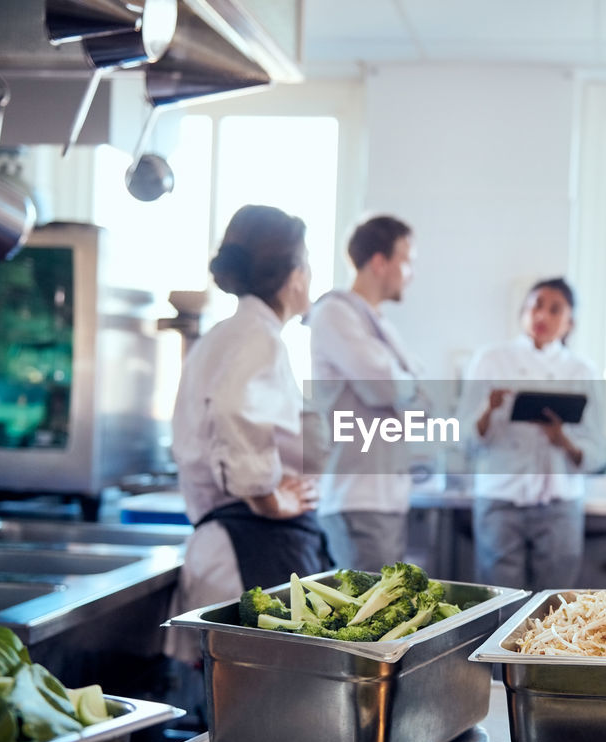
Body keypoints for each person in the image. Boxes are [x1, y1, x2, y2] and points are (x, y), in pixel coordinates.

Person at [165, 204, 327, 665]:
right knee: (265, 715)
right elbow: (236, 410)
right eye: (309, 261)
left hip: (242, 546)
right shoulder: (259, 337)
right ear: (294, 274)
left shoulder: (229, 333)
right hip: (251, 545)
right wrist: (268, 497)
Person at [458, 278, 604, 589]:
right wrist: (489, 409)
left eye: (555, 310)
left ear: (569, 323)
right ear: (523, 311)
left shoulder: (583, 371)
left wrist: (561, 439)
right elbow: (464, 439)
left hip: (559, 503)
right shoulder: (491, 359)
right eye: (536, 305)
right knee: (500, 603)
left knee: (554, 607)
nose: (542, 316)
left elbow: (596, 450)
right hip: (500, 499)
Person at [307, 215, 423, 572]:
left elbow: (421, 398)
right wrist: (408, 383)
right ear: (379, 261)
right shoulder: (334, 313)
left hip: (384, 498)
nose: (411, 272)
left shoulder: (378, 323)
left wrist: (407, 384)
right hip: (357, 498)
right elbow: (385, 385)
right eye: (407, 261)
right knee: (372, 619)